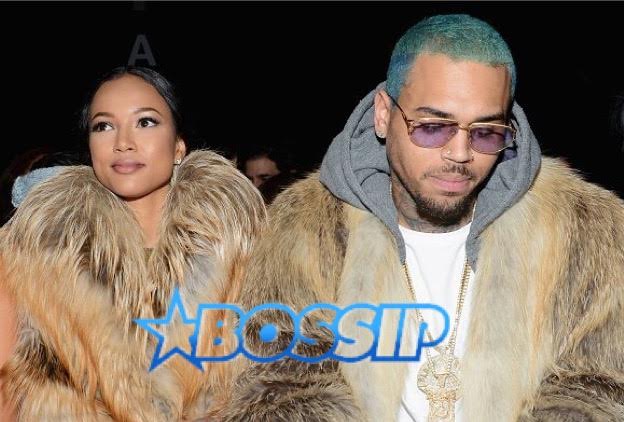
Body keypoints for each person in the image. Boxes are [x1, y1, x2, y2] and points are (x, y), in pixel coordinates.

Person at [215, 14, 624, 421]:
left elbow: (598, 390)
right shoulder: (303, 230)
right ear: (383, 114)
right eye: (432, 127)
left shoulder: (585, 232)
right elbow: (280, 389)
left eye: (486, 132)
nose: (460, 154)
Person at [0, 66, 266, 420]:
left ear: (178, 146)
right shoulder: (32, 253)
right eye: (103, 126)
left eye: (145, 122)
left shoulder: (248, 250)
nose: (122, 141)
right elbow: (6, 390)